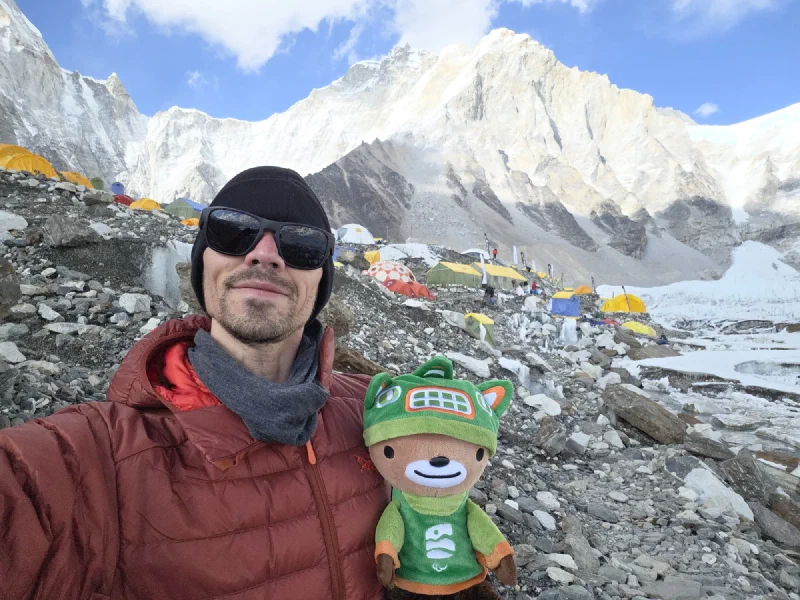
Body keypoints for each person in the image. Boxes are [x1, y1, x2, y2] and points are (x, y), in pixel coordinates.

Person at [0, 167, 387, 600]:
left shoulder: (379, 410)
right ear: (203, 259)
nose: (264, 254)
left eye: (301, 244)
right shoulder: (104, 453)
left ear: (321, 282)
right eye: (231, 230)